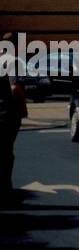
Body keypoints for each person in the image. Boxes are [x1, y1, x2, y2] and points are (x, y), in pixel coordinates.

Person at [1, 31, 28, 207]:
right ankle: (5, 192)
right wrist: (23, 108)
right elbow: (15, 88)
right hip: (6, 113)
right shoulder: (13, 62)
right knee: (6, 153)